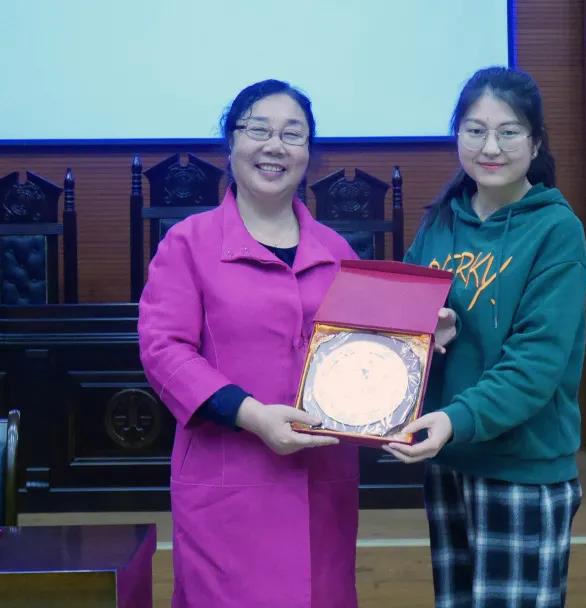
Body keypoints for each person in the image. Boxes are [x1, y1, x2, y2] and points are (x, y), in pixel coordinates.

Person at [138, 79, 360, 608]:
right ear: (231, 142)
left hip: (321, 485)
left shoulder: (337, 251)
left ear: (309, 152)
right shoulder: (188, 243)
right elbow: (164, 351)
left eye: (292, 134)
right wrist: (253, 416)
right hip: (228, 484)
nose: (274, 146)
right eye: (258, 129)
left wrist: (422, 331)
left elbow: (366, 354)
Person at [384, 66, 586, 608]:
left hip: (521, 466)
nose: (490, 147)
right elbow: (404, 318)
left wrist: (453, 420)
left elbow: (535, 364)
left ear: (536, 142)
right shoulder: (440, 221)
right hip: (451, 459)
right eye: (475, 130)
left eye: (508, 132)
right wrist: (428, 323)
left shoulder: (556, 230)